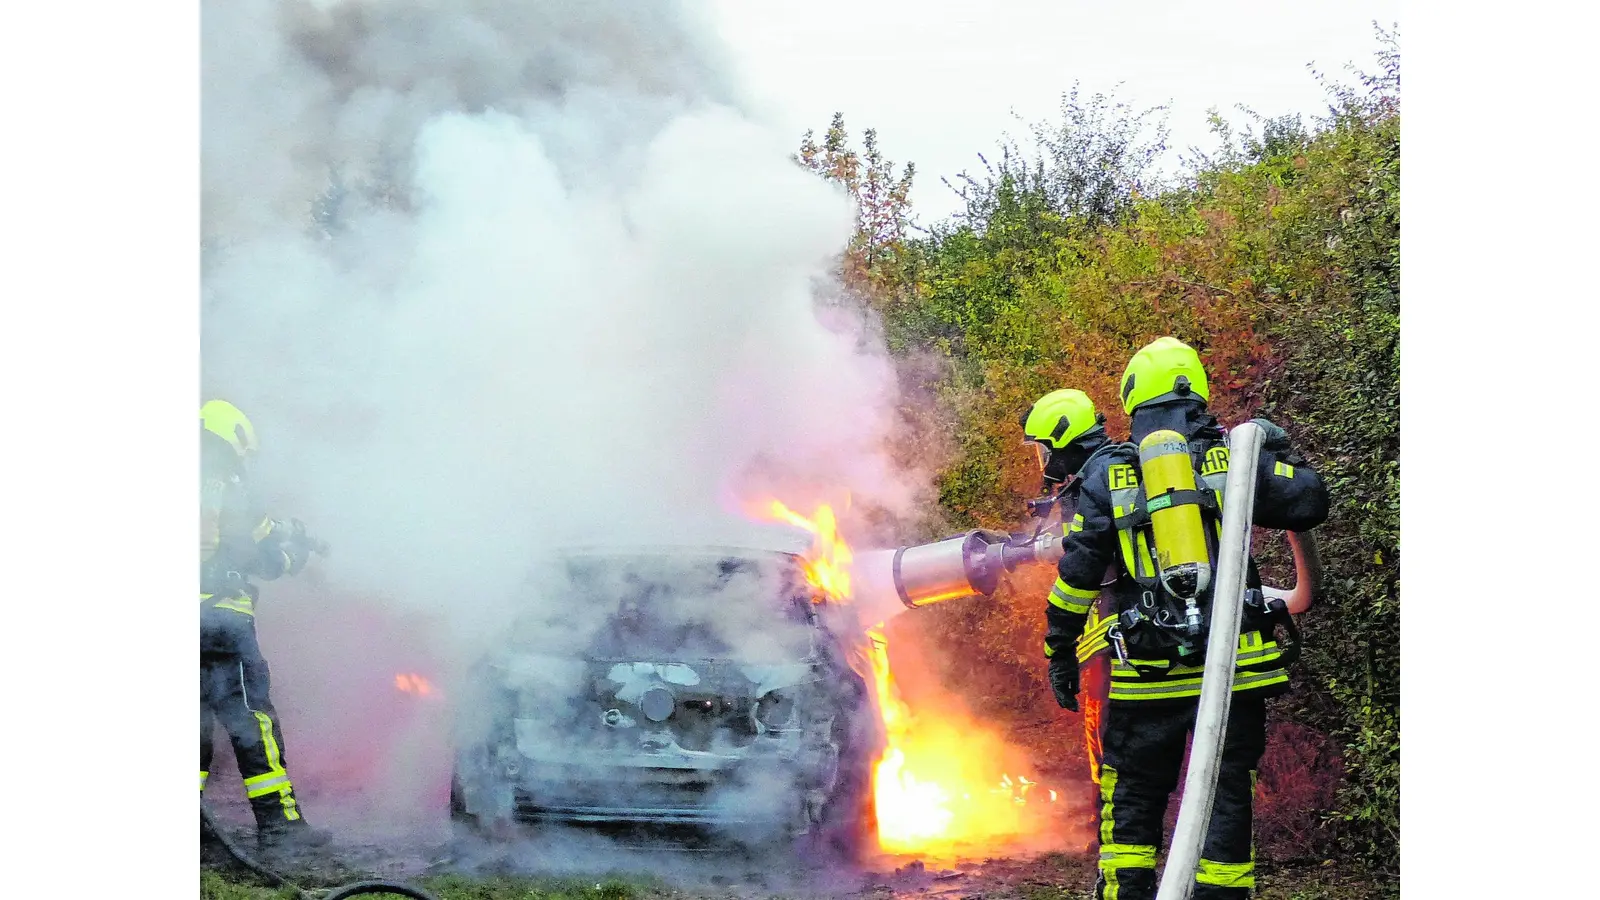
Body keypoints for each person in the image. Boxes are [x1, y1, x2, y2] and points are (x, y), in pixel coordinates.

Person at [1038, 338, 1329, 900]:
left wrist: (1059, 652)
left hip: (1147, 676)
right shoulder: (1235, 456)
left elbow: (1075, 581)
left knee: (1134, 800)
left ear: (1131, 399)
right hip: (1234, 673)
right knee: (1224, 797)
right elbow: (1310, 501)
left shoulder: (1110, 477)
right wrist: (1279, 446)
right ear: (1195, 389)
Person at [200, 399, 329, 855]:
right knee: (251, 718)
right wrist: (291, 556)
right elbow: (252, 549)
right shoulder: (226, 482)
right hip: (220, 621)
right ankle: (280, 827)